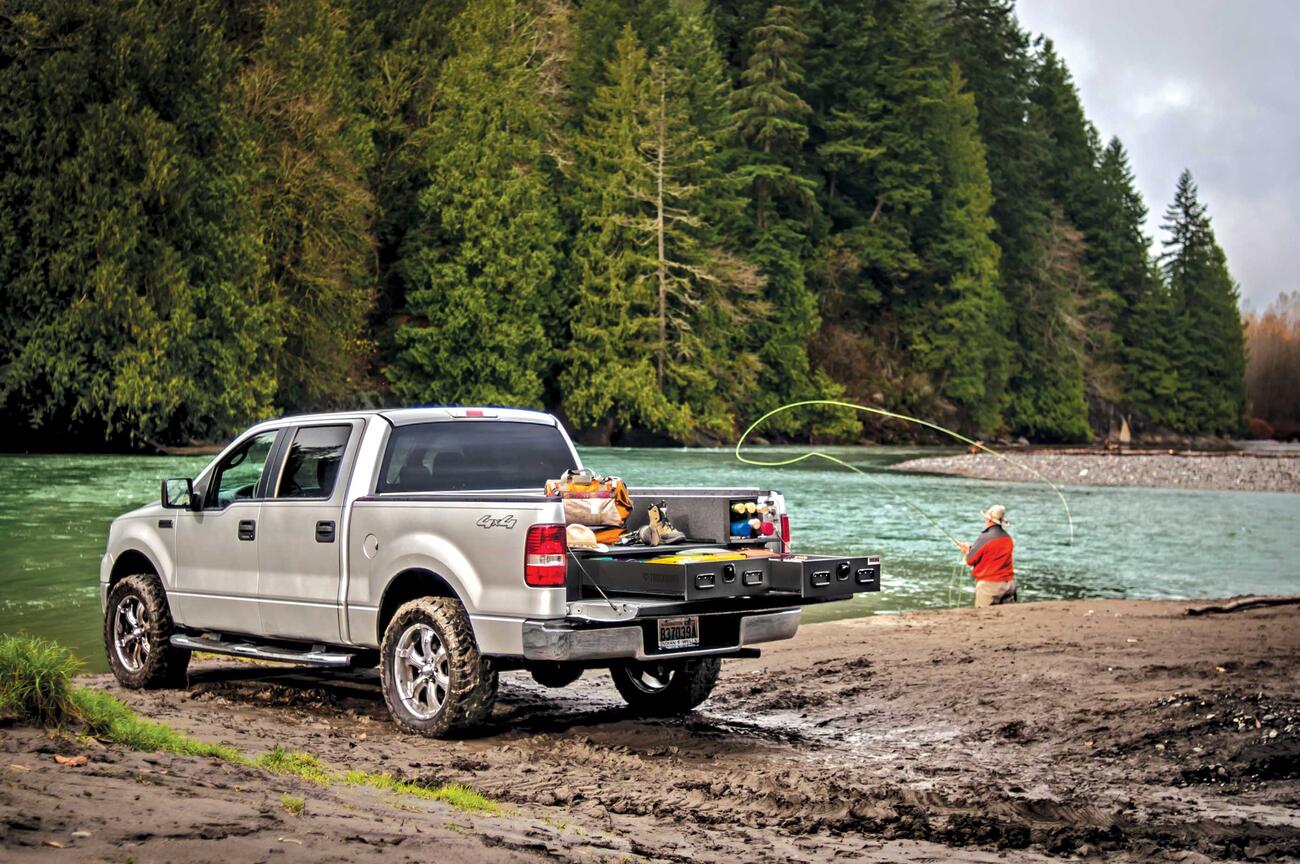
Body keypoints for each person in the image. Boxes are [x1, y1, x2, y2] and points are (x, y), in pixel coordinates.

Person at [956, 505, 1017, 607]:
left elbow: (970, 560)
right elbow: (993, 554)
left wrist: (967, 551)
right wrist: (971, 548)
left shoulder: (984, 538)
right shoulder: (1008, 538)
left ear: (989, 520)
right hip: (1009, 584)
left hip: (990, 586)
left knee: (984, 617)